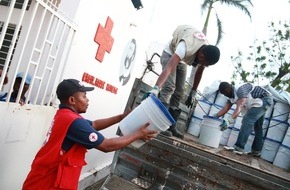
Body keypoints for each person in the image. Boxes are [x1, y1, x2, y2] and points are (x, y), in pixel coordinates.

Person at [22, 78, 158, 190]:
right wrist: (137, 135)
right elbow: (106, 146)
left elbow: (95, 124)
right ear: (72, 100)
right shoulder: (74, 122)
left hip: (44, 179)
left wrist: (121, 117)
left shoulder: (65, 115)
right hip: (46, 184)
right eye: (84, 96)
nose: (87, 100)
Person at [142, 25, 220, 139]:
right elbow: (168, 68)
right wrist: (156, 88)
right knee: (169, 87)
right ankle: (159, 125)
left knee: (179, 92)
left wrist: (193, 92)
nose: (203, 65)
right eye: (204, 63)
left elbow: (199, 72)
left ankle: (171, 125)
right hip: (170, 53)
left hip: (182, 61)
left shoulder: (207, 52)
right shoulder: (185, 47)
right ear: (202, 56)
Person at [215, 82, 273, 157]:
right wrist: (215, 117)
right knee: (258, 126)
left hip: (264, 99)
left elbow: (241, 105)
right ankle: (256, 151)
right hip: (258, 102)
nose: (224, 95)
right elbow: (225, 109)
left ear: (228, 89)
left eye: (224, 93)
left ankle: (239, 147)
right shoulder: (231, 97)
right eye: (223, 94)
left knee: (247, 120)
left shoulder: (240, 90)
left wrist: (229, 120)